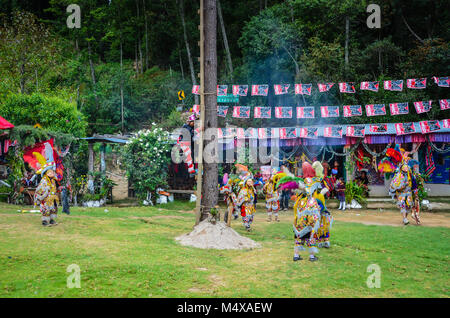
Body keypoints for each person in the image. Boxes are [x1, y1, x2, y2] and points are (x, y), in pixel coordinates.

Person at [34, 151, 59, 226]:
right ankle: (44, 221)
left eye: (52, 172)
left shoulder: (53, 180)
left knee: (53, 209)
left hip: (52, 197)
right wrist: (46, 189)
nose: (52, 174)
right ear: (46, 173)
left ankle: (51, 220)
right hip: (45, 198)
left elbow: (54, 188)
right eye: (50, 173)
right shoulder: (44, 180)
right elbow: (40, 189)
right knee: (46, 209)